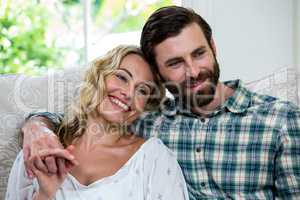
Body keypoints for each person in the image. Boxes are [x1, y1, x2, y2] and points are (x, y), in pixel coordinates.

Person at [20, 5, 300, 199]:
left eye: (199, 53)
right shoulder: (147, 120)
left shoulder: (280, 120)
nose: (193, 71)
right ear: (158, 73)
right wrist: (37, 128)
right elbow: (82, 121)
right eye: (175, 63)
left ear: (213, 47)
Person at [6, 45, 189, 200]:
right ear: (99, 76)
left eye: (142, 90)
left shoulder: (153, 158)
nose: (128, 93)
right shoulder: (39, 147)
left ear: (146, 105)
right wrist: (46, 194)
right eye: (122, 77)